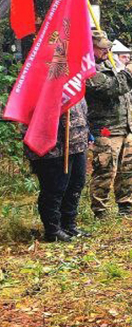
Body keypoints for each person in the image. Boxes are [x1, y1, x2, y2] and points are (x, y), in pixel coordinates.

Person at [87, 29, 132, 217]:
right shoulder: (88, 69)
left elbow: (125, 92)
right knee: (105, 171)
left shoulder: (109, 63)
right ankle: (100, 211)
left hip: (125, 126)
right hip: (106, 129)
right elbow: (111, 88)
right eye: (101, 48)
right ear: (90, 47)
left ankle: (126, 207)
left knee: (128, 169)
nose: (106, 51)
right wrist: (128, 72)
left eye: (108, 47)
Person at [26, 100, 88, 241]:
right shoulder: (39, 80)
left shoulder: (72, 79)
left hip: (76, 141)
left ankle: (69, 225)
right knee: (55, 188)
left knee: (76, 184)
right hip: (51, 146)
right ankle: (53, 229)